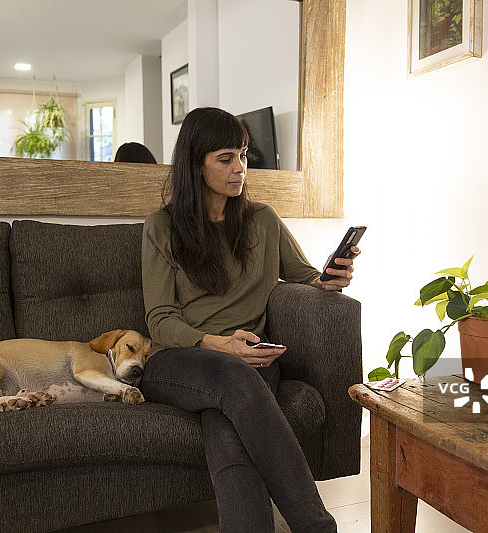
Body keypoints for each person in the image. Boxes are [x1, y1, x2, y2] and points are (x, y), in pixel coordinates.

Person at [140, 107, 358, 532]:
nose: (239, 168)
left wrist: (332, 278)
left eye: (242, 155)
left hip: (251, 359)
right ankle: (318, 527)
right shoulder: (162, 227)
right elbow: (160, 319)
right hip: (179, 360)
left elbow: (306, 277)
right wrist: (221, 345)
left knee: (226, 432)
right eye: (225, 159)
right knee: (235, 376)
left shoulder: (263, 220)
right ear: (195, 163)